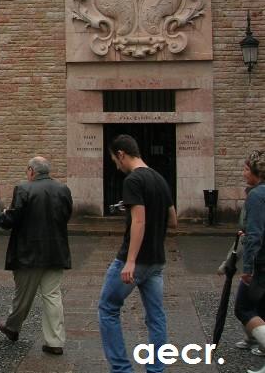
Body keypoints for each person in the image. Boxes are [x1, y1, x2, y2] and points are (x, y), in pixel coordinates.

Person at [98, 134, 177, 373]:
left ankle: (121, 369)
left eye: (115, 160)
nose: (116, 165)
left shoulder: (133, 180)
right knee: (156, 317)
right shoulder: (160, 179)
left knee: (108, 308)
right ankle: (156, 369)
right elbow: (173, 220)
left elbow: (139, 221)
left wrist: (130, 261)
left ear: (121, 154)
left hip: (136, 260)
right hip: (156, 261)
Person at [0, 156, 73, 356]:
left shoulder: (23, 189)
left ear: (31, 170)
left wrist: (4, 215)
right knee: (53, 296)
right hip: (56, 251)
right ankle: (55, 341)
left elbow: (12, 219)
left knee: (23, 295)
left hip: (27, 252)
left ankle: (12, 327)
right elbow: (66, 215)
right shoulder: (63, 189)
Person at [235, 150, 265, 373]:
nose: (243, 173)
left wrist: (248, 268)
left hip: (261, 262)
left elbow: (255, 234)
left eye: (246, 169)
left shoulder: (257, 195)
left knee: (243, 307)